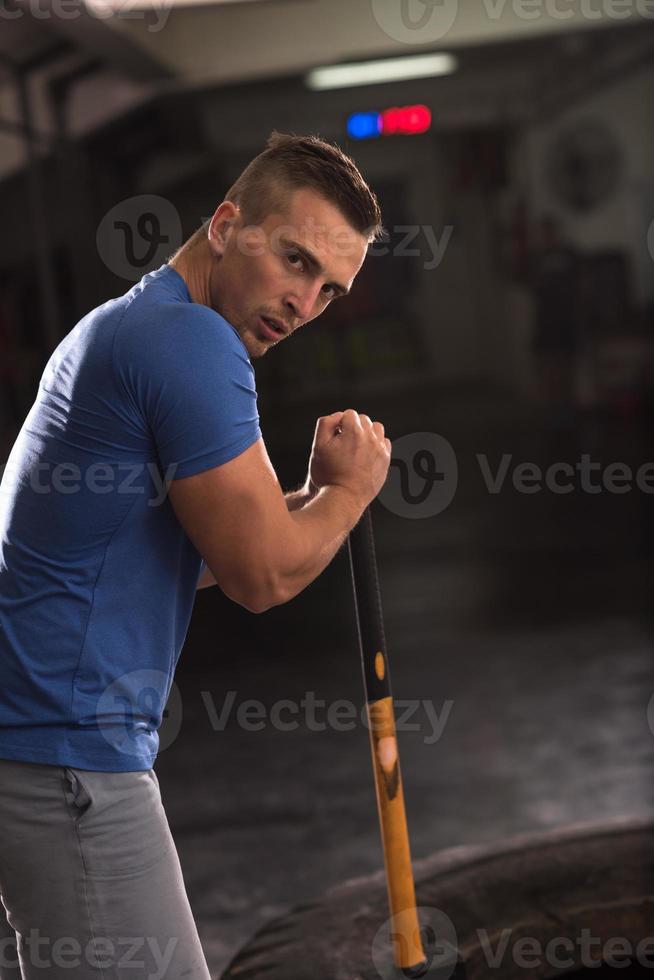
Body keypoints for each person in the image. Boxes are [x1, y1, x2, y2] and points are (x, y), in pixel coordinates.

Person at [0, 132, 390, 979]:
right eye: (294, 260)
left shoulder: (132, 325)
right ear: (225, 226)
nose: (302, 302)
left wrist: (305, 502)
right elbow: (262, 574)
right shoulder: (189, 344)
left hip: (42, 745)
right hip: (65, 757)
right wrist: (349, 492)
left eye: (328, 290)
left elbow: (192, 553)